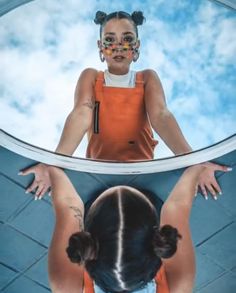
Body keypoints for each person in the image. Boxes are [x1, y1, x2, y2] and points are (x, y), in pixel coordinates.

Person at [21, 10, 226, 201]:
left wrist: (193, 161)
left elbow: (161, 116)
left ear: (137, 46)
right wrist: (55, 164)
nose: (118, 46)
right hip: (99, 175)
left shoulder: (146, 78)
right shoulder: (91, 77)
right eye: (110, 39)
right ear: (100, 47)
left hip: (142, 176)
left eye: (127, 39)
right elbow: (81, 113)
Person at [44, 162, 227, 293]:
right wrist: (196, 169)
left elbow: (69, 205)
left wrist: (51, 169)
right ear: (156, 242)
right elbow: (176, 207)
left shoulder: (65, 289)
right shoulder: (180, 288)